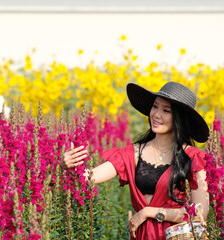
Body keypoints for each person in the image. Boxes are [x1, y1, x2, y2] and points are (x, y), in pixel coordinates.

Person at [60, 81, 210, 239]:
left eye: (166, 110)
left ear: (180, 119)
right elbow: (90, 177)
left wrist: (148, 212)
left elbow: (199, 214)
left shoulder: (193, 158)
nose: (156, 114)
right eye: (155, 106)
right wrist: (68, 165)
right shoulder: (132, 153)